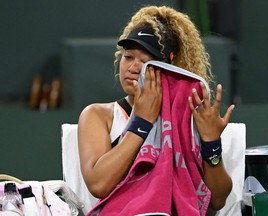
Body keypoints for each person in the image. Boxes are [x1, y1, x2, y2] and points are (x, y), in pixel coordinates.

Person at [78, 5, 235, 215]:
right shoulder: (98, 115)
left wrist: (211, 144)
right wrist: (142, 121)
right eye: (128, 57)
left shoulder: (189, 117)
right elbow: (99, 185)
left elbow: (217, 200)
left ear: (167, 68)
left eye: (144, 61)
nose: (133, 67)